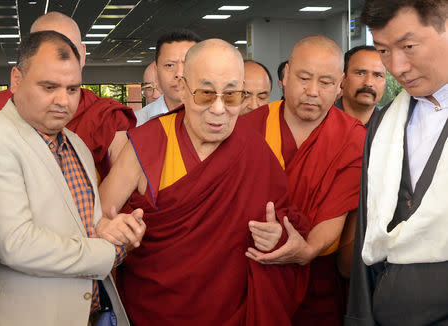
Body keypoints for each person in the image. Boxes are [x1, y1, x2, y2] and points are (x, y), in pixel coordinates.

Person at [99, 39, 310, 326]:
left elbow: (285, 224)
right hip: (153, 309)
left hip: (230, 312)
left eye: (232, 95)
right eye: (206, 94)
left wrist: (277, 238)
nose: (219, 109)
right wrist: (114, 231)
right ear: (184, 89)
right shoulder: (150, 142)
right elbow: (99, 219)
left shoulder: (254, 150)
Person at [0, 30, 146, 326]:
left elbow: (79, 221)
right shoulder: (3, 139)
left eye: (73, 89)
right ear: (16, 80)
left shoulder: (75, 143)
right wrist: (111, 250)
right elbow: (16, 244)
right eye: (49, 87)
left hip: (92, 312)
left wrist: (112, 228)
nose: (62, 101)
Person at [241, 36, 366, 326]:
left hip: (318, 281)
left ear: (340, 85)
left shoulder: (352, 137)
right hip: (251, 272)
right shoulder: (248, 128)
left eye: (325, 82)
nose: (312, 91)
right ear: (284, 76)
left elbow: (338, 210)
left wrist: (306, 250)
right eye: (304, 78)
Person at [346, 1, 448, 325]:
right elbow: (367, 230)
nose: (397, 66)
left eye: (408, 46)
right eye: (384, 51)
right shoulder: (386, 121)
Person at [0, 12, 136, 180]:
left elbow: (124, 191)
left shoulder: (104, 116)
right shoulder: (2, 109)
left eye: (69, 51)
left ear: (83, 55)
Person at [135, 29, 202, 125]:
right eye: (169, 65)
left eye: (187, 64)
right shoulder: (137, 123)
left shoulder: (221, 120)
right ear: (157, 70)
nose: (179, 74)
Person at [335, 46, 386, 126]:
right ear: (343, 79)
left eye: (377, 75)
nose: (369, 83)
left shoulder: (393, 129)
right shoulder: (318, 121)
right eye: (360, 73)